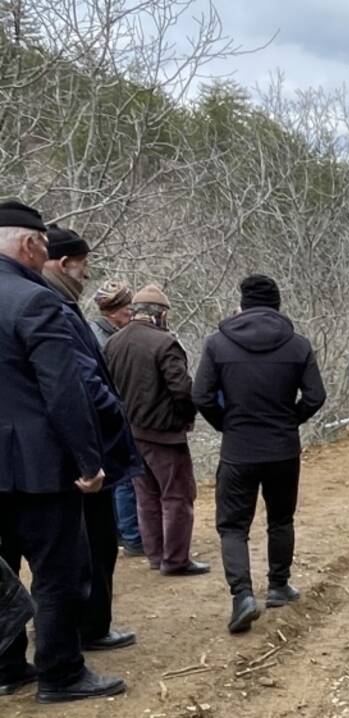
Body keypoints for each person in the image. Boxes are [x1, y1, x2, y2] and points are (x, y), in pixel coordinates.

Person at [0, 200, 126, 702]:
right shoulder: (35, 302)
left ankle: (7, 666)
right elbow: (64, 390)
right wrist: (89, 462)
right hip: (39, 466)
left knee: (5, 569)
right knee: (60, 572)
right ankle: (61, 672)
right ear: (31, 245)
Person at [194, 274, 327, 634]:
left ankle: (242, 596)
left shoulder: (217, 344)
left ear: (242, 303)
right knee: (280, 520)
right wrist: (290, 420)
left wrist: (227, 425)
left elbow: (201, 396)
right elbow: (315, 396)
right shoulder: (298, 345)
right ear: (278, 304)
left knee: (233, 526)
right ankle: (279, 586)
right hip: (283, 448)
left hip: (239, 450)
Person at [41, 224, 142, 653]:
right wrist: (113, 410)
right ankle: (90, 628)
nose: (86, 278)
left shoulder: (50, 306)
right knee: (92, 544)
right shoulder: (53, 310)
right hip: (79, 448)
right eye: (83, 268)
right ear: (64, 264)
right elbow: (78, 380)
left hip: (51, 451)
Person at [103, 285, 209, 576]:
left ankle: (155, 555)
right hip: (164, 434)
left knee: (146, 495)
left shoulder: (113, 343)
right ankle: (176, 560)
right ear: (159, 314)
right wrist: (186, 417)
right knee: (177, 495)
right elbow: (182, 389)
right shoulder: (164, 343)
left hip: (130, 432)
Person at [90, 280, 144, 555]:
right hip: (107, 414)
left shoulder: (101, 332)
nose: (131, 314)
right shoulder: (102, 338)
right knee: (121, 478)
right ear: (114, 311)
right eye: (127, 309)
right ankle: (130, 534)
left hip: (110, 412)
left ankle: (122, 532)